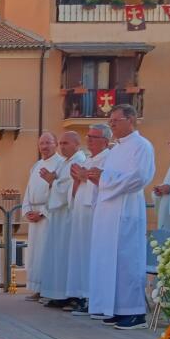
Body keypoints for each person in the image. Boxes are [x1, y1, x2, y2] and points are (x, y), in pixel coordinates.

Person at [87, 104, 155, 329]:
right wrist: (97, 177)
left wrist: (104, 179)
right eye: (110, 121)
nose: (111, 124)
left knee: (126, 260)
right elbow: (106, 177)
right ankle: (115, 308)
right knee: (108, 260)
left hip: (126, 209)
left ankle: (134, 312)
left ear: (131, 119)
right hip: (108, 210)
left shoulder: (141, 146)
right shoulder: (116, 149)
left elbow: (139, 177)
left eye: (116, 120)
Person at [64, 125, 111, 316]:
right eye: (88, 136)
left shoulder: (109, 158)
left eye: (94, 137)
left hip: (95, 214)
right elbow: (78, 188)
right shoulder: (90, 159)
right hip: (80, 213)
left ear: (105, 141)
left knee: (93, 256)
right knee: (81, 255)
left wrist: (85, 177)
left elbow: (108, 185)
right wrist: (77, 181)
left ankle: (94, 298)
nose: (89, 140)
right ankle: (83, 295)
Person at [36, 131, 85, 307]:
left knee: (67, 256)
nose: (62, 146)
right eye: (61, 143)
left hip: (68, 217)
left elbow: (68, 189)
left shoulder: (78, 161)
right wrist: (52, 181)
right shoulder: (66, 162)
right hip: (59, 215)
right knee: (58, 256)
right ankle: (58, 293)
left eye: (65, 143)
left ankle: (71, 296)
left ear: (76, 144)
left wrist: (52, 181)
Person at [20, 133, 60, 301]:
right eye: (41, 143)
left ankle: (48, 289)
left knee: (47, 253)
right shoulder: (36, 165)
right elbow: (29, 189)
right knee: (35, 254)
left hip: (48, 216)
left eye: (48, 143)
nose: (44, 146)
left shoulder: (60, 164)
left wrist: (43, 212)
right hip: (34, 216)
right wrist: (27, 209)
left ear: (55, 144)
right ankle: (37, 288)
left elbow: (58, 191)